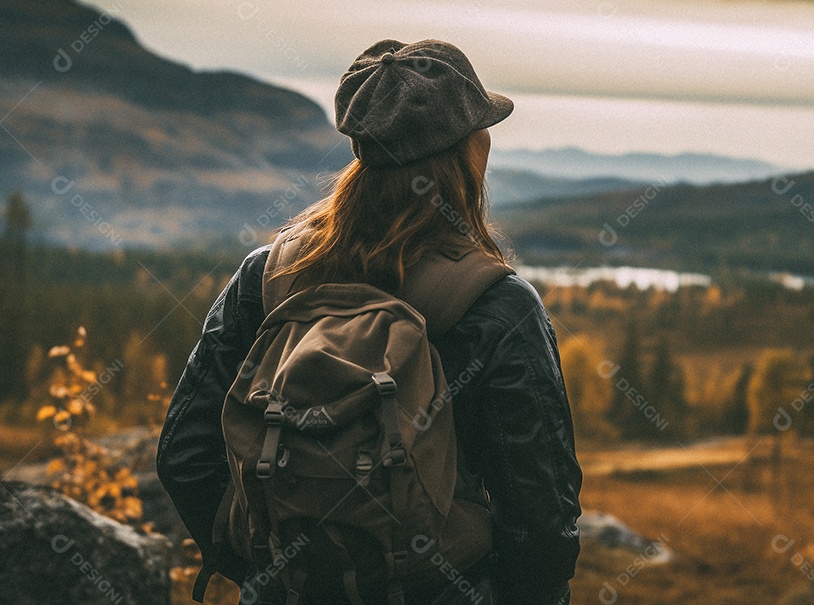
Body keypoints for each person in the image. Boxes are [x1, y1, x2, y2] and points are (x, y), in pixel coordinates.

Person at [157, 39, 583, 605]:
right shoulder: (497, 305)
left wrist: (273, 571)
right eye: (482, 129)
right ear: (465, 153)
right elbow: (543, 515)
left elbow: (184, 454)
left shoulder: (267, 278)